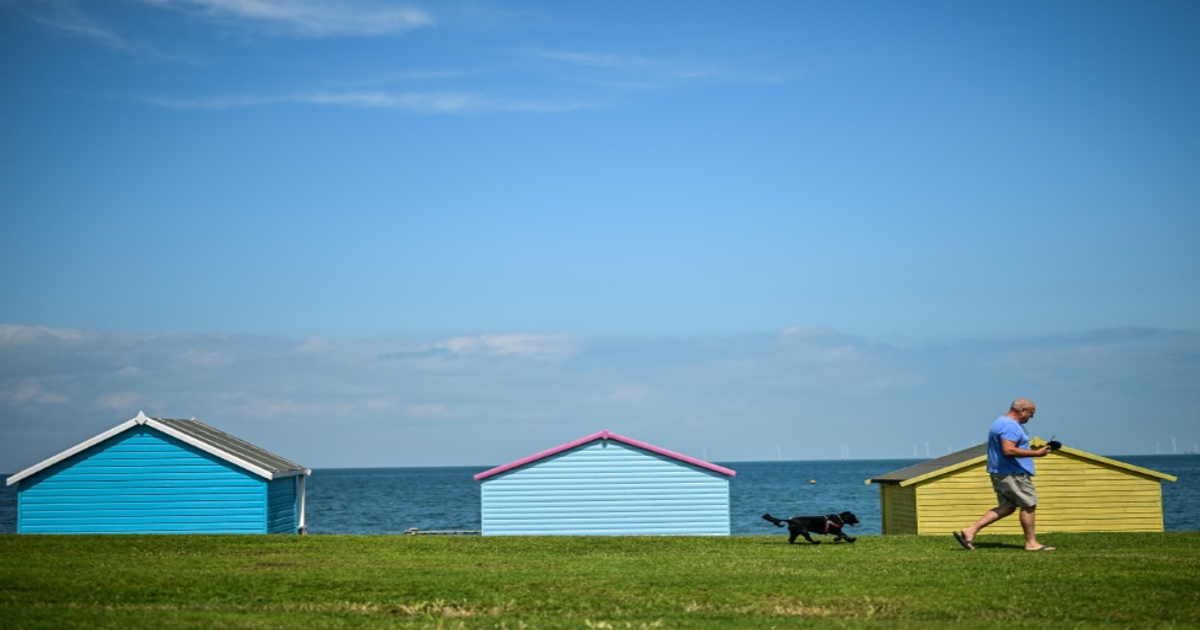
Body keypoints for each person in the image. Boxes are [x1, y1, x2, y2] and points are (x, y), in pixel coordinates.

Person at [953, 398, 1056, 551]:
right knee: (1028, 504)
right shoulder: (1010, 426)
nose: (1031, 417)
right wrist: (1036, 453)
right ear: (1022, 411)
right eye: (1030, 414)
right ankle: (1031, 543)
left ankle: (970, 531)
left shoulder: (1000, 422)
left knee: (1008, 506)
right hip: (1012, 472)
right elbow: (1008, 450)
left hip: (1000, 471)